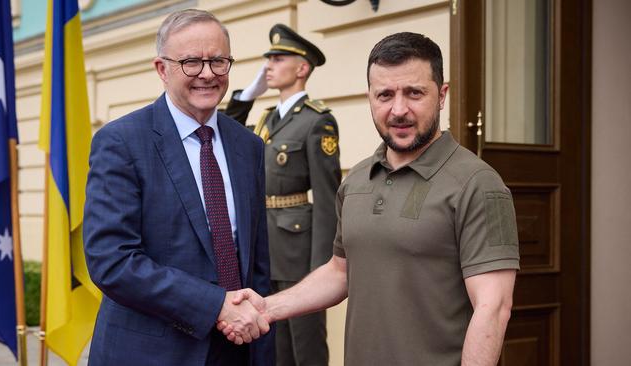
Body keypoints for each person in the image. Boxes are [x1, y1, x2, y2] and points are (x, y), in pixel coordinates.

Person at [221, 32, 520, 366]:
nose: (399, 109)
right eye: (385, 95)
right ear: (370, 98)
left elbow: (493, 308)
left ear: (442, 95)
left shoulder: (478, 184)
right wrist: (267, 308)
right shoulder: (357, 180)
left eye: (415, 93)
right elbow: (340, 272)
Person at [83, 9, 273, 366]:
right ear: (161, 69)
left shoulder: (249, 146)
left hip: (237, 349)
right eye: (191, 62)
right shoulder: (121, 142)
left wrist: (260, 345)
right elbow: (112, 260)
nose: (207, 73)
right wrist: (215, 306)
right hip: (152, 354)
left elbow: (256, 263)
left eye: (218, 61)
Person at [224, 24, 341, 366]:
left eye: (278, 58)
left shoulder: (318, 121)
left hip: (299, 245)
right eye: (268, 59)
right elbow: (225, 128)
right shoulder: (266, 119)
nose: (269, 66)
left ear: (302, 68)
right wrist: (248, 93)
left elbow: (327, 197)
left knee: (304, 342)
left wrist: (324, 266)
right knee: (270, 342)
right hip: (264, 245)